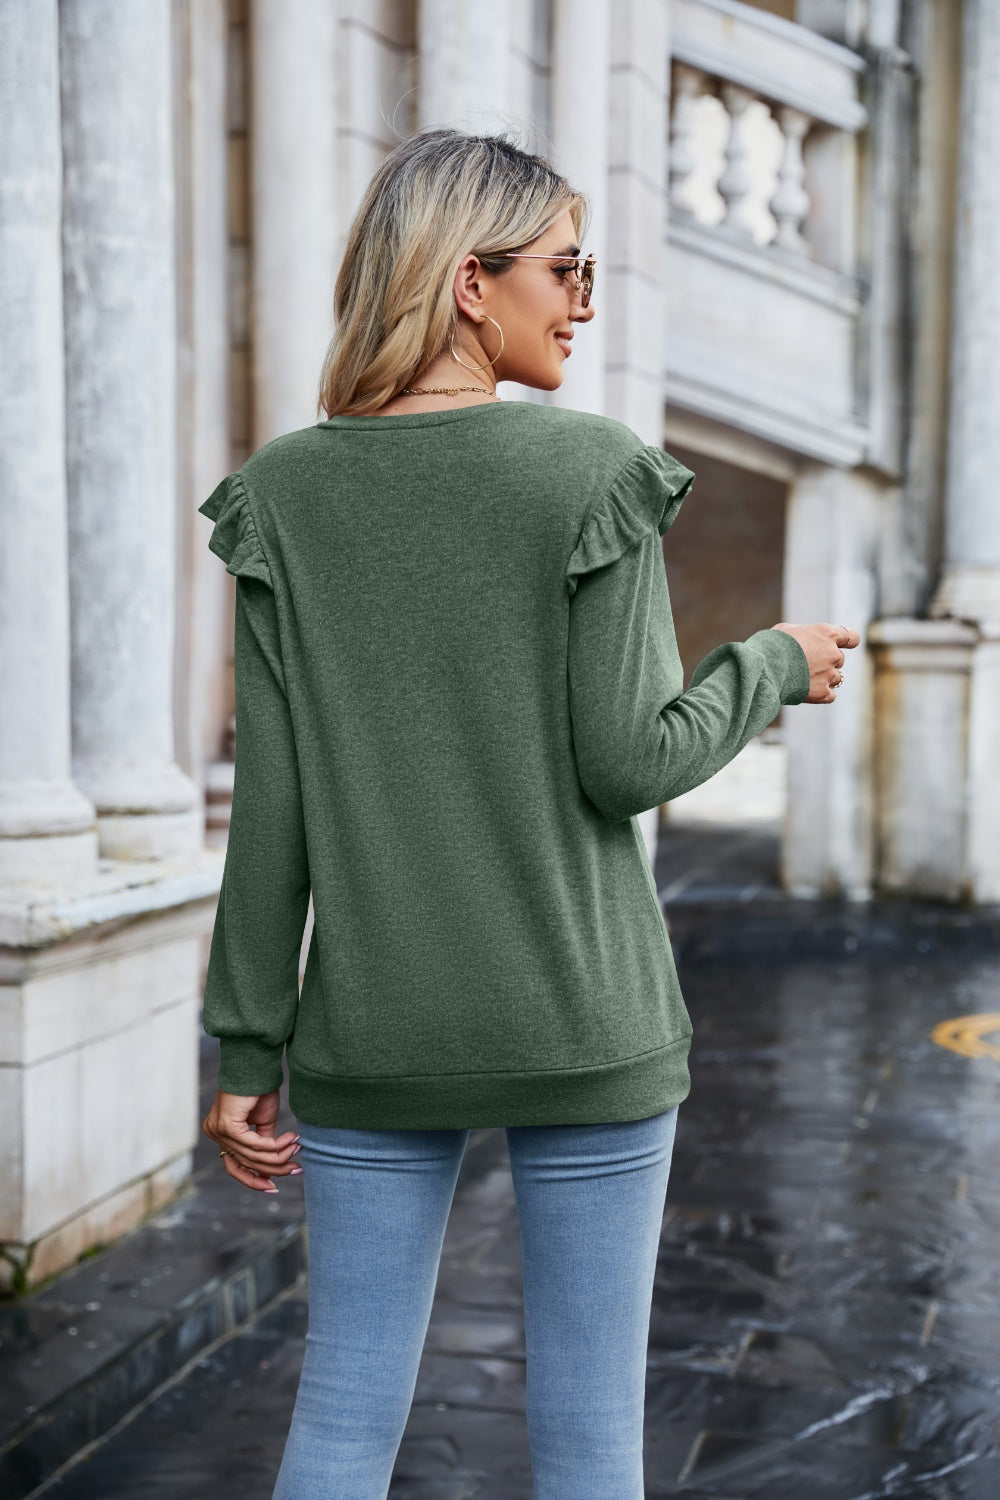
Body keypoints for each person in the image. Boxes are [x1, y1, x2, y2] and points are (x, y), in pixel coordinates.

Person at [197, 127, 860, 1500]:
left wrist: (247, 1043)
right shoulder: (591, 474)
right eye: (566, 270)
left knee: (342, 1415)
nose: (583, 303)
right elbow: (629, 761)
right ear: (468, 281)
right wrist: (769, 667)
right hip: (584, 1020)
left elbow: (274, 812)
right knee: (591, 1437)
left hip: (374, 1031)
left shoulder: (285, 498)